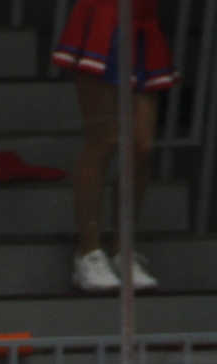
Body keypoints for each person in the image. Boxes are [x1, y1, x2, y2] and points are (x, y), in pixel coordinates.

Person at [53, 0, 177, 294]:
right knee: (105, 139)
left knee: (142, 147)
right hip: (104, 16)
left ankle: (122, 252)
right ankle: (88, 253)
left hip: (144, 20)